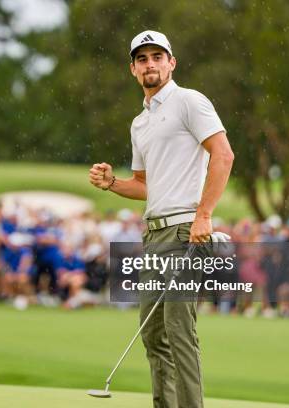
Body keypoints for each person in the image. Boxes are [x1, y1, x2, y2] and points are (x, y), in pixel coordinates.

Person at [89, 30, 234, 408]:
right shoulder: (140, 123)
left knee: (178, 329)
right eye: (142, 58)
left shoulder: (189, 101)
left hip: (187, 229)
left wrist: (204, 215)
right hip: (154, 235)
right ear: (133, 69)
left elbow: (223, 155)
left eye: (157, 56)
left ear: (172, 62)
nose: (150, 64)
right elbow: (144, 185)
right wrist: (112, 184)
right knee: (152, 332)